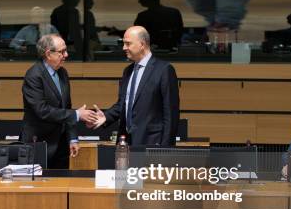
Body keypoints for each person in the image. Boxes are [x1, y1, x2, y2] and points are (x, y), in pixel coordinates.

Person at [89, 26, 180, 146]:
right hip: (126, 142)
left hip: (152, 143)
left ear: (142, 44)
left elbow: (171, 113)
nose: (124, 48)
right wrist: (106, 117)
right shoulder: (128, 71)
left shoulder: (164, 70)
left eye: (128, 44)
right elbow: (123, 104)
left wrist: (166, 149)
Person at [21, 34, 95, 169]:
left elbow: (66, 107)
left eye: (66, 50)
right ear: (48, 54)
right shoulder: (34, 75)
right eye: (62, 52)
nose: (66, 55)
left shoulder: (62, 73)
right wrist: (76, 115)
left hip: (61, 146)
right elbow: (42, 111)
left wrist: (72, 138)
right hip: (39, 146)